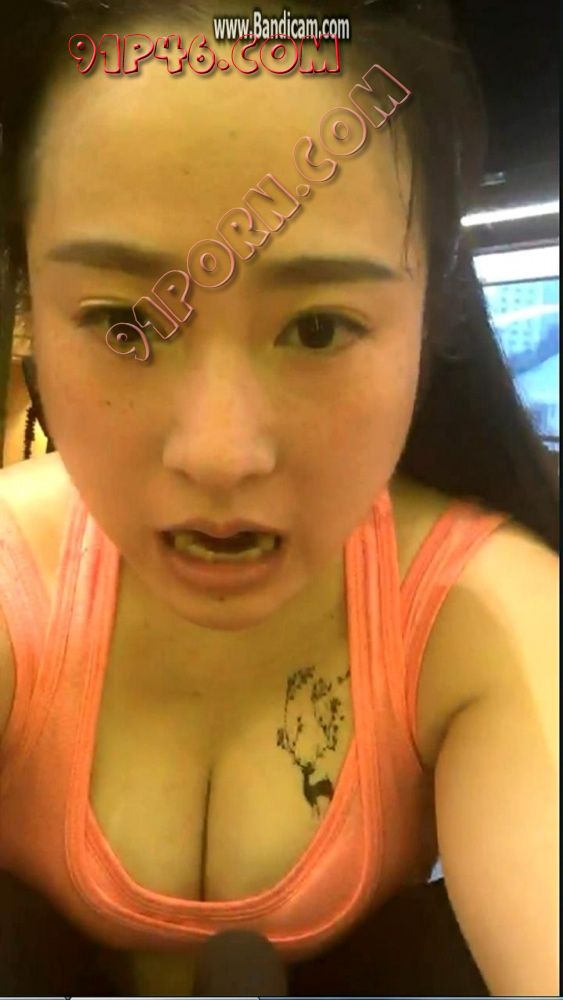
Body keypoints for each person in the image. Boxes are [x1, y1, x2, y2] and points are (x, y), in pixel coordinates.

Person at [0, 0, 558, 995]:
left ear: (426, 317)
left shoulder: (483, 616)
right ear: (28, 311)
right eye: (128, 323)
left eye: (316, 328)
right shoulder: (12, 583)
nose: (220, 456)